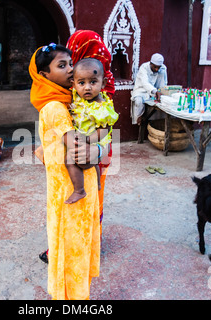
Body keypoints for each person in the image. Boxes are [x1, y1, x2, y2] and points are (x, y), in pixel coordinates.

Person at [29, 43, 107, 300]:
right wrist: (97, 149)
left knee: (74, 249)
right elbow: (78, 149)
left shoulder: (69, 100)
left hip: (68, 189)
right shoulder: (55, 107)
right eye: (61, 66)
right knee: (72, 252)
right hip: (71, 194)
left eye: (69, 63)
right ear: (44, 75)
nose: (70, 69)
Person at [64, 58, 118, 204]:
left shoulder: (101, 107)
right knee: (92, 163)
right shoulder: (78, 97)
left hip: (95, 140)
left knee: (70, 160)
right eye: (82, 83)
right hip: (84, 136)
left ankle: (79, 190)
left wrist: (88, 140)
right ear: (73, 84)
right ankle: (98, 183)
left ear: (104, 83)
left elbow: (104, 130)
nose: (87, 87)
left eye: (93, 82)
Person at [131, 53, 168, 124]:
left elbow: (164, 83)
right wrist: (155, 91)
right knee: (138, 101)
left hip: (156, 94)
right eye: (155, 67)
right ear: (151, 63)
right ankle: (139, 120)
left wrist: (161, 92)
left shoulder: (163, 68)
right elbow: (145, 83)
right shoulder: (144, 67)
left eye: (158, 67)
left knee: (163, 104)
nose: (157, 69)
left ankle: (156, 124)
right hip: (141, 91)